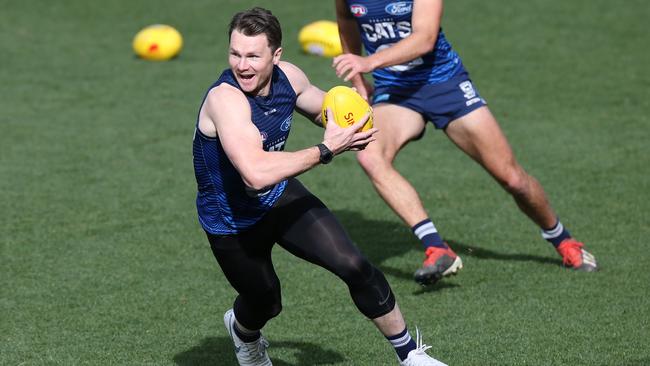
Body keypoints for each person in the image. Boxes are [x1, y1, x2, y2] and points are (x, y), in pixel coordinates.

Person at [192, 7, 447, 366]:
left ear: (275, 56)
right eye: (235, 54)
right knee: (267, 301)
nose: (242, 65)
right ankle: (243, 332)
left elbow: (323, 108)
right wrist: (327, 149)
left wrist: (353, 118)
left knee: (354, 264)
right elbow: (254, 173)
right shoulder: (226, 100)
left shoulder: (289, 78)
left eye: (253, 55)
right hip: (231, 220)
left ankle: (411, 356)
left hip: (278, 197)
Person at [332, 0, 598, 286]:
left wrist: (368, 62)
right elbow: (347, 24)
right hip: (395, 92)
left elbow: (425, 38)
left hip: (445, 84)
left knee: (512, 179)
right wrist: (360, 83)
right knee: (370, 156)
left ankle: (564, 241)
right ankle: (437, 248)